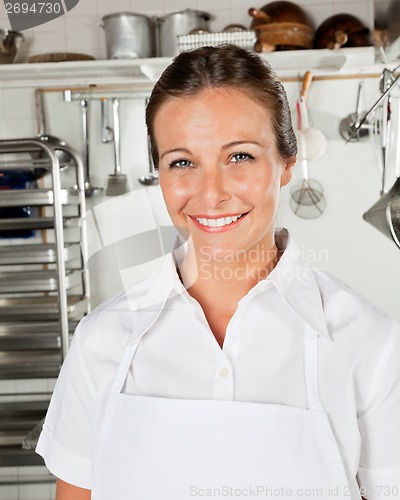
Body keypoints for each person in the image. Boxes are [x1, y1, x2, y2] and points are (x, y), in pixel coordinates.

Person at [36, 45, 400, 500]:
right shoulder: (101, 340)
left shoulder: (369, 341)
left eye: (240, 157)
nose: (210, 194)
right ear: (161, 175)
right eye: (182, 163)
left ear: (286, 164)